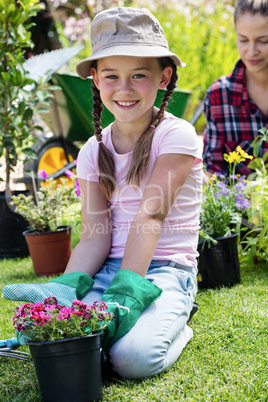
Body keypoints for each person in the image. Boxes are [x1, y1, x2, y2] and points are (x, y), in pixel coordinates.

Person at [3, 7, 202, 379]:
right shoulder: (93, 151)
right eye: (111, 76)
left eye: (138, 75)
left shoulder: (176, 136)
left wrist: (124, 297)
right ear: (95, 78)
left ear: (164, 76)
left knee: (131, 360)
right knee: (64, 342)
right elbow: (95, 236)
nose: (124, 89)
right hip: (109, 271)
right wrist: (68, 286)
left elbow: (150, 216)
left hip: (165, 272)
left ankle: (180, 323)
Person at [203, 0, 268, 177]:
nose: (252, 51)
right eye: (243, 40)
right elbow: (214, 168)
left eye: (263, 41)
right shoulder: (220, 96)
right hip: (240, 203)